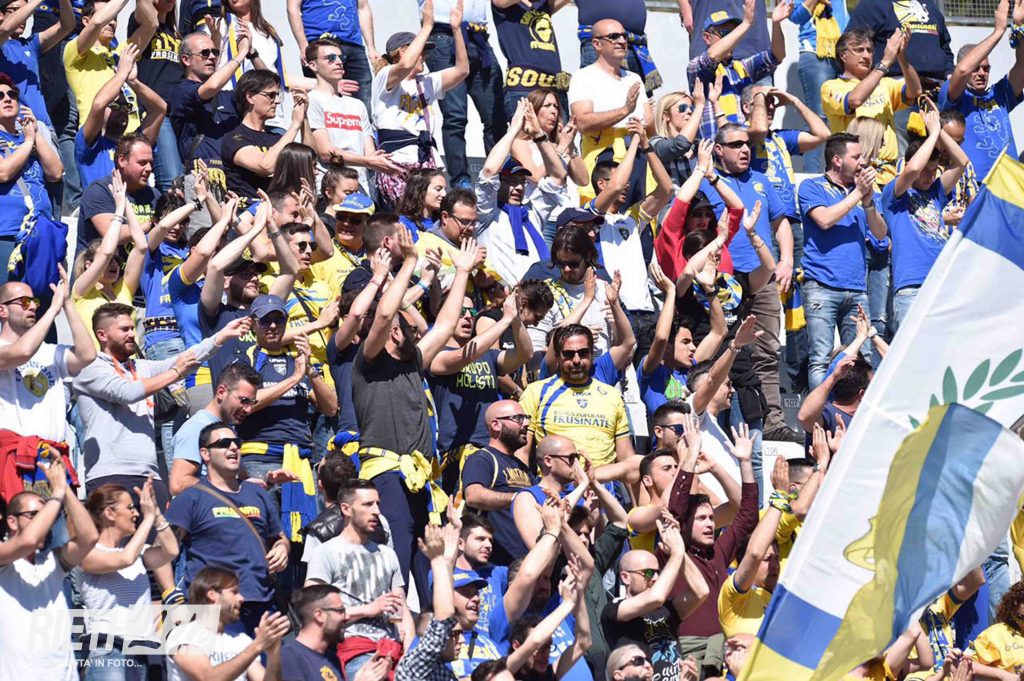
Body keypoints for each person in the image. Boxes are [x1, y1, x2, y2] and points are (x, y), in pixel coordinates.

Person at [352, 228, 480, 598]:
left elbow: (445, 325)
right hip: (388, 475)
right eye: (409, 329)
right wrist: (408, 262)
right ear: (394, 334)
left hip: (421, 481)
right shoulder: (369, 362)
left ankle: (428, 626)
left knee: (430, 575)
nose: (417, 333)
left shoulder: (415, 362)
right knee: (394, 573)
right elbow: (384, 313)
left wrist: (462, 272)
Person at [72, 302, 248, 501]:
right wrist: (176, 372)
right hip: (110, 475)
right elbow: (127, 392)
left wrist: (221, 336)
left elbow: (186, 360)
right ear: (102, 335)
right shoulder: (89, 368)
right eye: (124, 329)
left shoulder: (140, 367)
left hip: (150, 475)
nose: (132, 334)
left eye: (132, 328)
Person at [700, 123, 795, 443]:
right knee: (724, 352)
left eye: (747, 144)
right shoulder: (706, 183)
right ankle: (720, 421)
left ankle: (772, 422)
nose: (745, 149)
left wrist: (786, 259)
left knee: (767, 351)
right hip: (723, 281)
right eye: (736, 144)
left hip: (762, 277)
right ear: (718, 150)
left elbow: (781, 222)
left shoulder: (761, 180)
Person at [165, 422, 291, 636]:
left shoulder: (257, 492)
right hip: (211, 610)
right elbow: (163, 553)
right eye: (224, 443)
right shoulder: (190, 498)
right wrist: (171, 597)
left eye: (236, 443)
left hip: (261, 604)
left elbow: (278, 537)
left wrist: (282, 548)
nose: (233, 448)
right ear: (205, 453)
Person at [668, 415, 759, 677]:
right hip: (687, 652)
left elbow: (748, 515)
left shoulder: (717, 551)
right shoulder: (673, 550)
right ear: (685, 525)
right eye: (701, 519)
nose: (710, 524)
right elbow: (675, 508)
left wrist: (742, 463)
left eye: (711, 518)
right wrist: (691, 454)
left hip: (721, 652)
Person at [798, 133, 887, 388]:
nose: (862, 162)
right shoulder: (812, 187)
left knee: (862, 358)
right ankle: (820, 412)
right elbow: (824, 220)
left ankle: (857, 409)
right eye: (856, 157)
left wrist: (868, 203)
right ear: (837, 160)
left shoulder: (864, 193)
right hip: (821, 286)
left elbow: (880, 233)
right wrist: (858, 193)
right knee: (821, 358)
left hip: (857, 288)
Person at [0, 458, 98, 681]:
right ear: (12, 522)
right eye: (34, 515)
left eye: (47, 516)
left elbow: (89, 537)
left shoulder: (52, 561)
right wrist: (56, 495)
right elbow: (29, 540)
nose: (44, 522)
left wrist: (65, 490)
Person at [305, 479, 413, 676]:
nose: (377, 511)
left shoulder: (387, 554)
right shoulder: (326, 552)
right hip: (353, 650)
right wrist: (368, 610)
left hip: (393, 650)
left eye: (377, 504)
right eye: (368, 504)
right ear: (346, 509)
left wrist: (409, 654)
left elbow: (402, 610)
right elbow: (312, 610)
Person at [587, 117, 673, 360]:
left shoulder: (632, 217)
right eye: (621, 179)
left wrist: (646, 145)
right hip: (615, 312)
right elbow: (615, 187)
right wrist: (634, 141)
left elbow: (666, 190)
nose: (626, 185)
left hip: (646, 311)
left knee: (648, 376)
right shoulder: (589, 216)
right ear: (601, 183)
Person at [430, 293, 532, 494]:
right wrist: (504, 320)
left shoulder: (488, 356)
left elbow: (525, 354)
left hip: (492, 451)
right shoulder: (434, 354)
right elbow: (463, 356)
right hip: (455, 454)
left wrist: (515, 319)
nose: (468, 317)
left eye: (472, 311)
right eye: (461, 311)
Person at [79, 478, 180, 679]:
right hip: (108, 648)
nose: (136, 514)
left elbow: (171, 551)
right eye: (130, 508)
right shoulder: (87, 553)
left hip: (143, 649)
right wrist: (148, 519)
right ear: (109, 513)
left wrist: (156, 514)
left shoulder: (138, 553)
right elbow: (125, 559)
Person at [0, 272, 93, 483]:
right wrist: (53, 309)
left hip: (53, 456)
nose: (33, 306)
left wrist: (67, 303)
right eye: (24, 302)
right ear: (2, 310)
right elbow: (23, 351)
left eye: (35, 301)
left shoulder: (50, 351)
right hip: (16, 457)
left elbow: (87, 355)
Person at [373, 4, 468, 208]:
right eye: (422, 50)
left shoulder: (427, 82)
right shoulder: (385, 77)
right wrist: (427, 26)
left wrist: (456, 30)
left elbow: (462, 70)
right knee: (403, 215)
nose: (425, 56)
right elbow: (406, 65)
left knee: (426, 217)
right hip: (397, 163)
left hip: (425, 162)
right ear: (402, 51)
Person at [881, 104, 968, 329]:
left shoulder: (936, 192)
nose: (929, 176)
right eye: (925, 170)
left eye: (933, 170)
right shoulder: (895, 193)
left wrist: (939, 130)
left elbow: (961, 161)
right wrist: (932, 135)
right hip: (911, 287)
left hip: (941, 284)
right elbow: (911, 170)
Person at [476, 101, 570, 286]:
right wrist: (514, 129)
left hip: (542, 296)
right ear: (499, 184)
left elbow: (559, 176)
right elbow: (489, 171)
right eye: (511, 182)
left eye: (521, 182)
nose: (518, 188)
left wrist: (539, 134)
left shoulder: (533, 214)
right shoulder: (486, 214)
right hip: (506, 295)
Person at [601, 518, 706, 681]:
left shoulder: (667, 609)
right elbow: (656, 597)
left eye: (658, 572)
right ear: (625, 577)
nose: (656, 578)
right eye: (649, 573)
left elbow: (701, 592)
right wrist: (676, 554)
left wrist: (680, 549)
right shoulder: (614, 608)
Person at [519, 325, 634, 472]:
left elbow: (626, 458)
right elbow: (521, 452)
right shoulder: (536, 392)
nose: (576, 360)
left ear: (591, 354)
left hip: (604, 483)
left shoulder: (612, 395)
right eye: (568, 354)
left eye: (583, 353)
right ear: (557, 356)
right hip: (557, 484)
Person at [421, 0, 507, 191]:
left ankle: (498, 175)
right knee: (455, 117)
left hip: (479, 37)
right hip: (444, 36)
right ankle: (460, 181)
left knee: (496, 118)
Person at [821, 28, 922, 186]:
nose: (866, 56)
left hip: (888, 175)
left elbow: (915, 91)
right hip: (855, 176)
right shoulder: (831, 87)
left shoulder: (885, 84)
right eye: (859, 50)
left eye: (869, 50)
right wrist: (885, 63)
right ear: (843, 55)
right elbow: (855, 100)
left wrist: (901, 56)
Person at [567, 17, 650, 203]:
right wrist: (624, 111)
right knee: (602, 216)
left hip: (637, 155)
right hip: (604, 161)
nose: (622, 41)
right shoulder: (583, 77)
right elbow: (582, 122)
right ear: (597, 44)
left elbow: (649, 122)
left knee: (638, 216)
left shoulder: (634, 78)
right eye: (614, 36)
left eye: (624, 36)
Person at [939, 0, 1024, 181]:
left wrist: (1019, 26)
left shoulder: (999, 93)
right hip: (974, 184)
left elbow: (1022, 65)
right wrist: (998, 32)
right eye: (976, 68)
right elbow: (962, 70)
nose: (981, 73)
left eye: (986, 69)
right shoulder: (955, 97)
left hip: (1010, 183)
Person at [305, 37, 399, 194]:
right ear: (313, 65)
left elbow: (369, 151)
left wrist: (380, 161)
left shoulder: (357, 105)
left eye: (340, 57)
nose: (338, 62)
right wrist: (368, 161)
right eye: (330, 58)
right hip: (331, 190)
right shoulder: (312, 99)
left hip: (361, 189)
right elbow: (325, 152)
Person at [165, 566, 291, 681]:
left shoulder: (241, 640)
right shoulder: (182, 636)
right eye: (234, 592)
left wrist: (273, 655)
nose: (241, 598)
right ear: (212, 595)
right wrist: (257, 645)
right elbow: (207, 678)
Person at [687, 0, 789, 141]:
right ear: (707, 37)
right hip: (713, 149)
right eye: (724, 33)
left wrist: (776, 24)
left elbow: (777, 55)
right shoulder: (695, 67)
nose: (732, 38)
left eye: (733, 32)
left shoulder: (741, 67)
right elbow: (712, 56)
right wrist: (746, 24)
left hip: (741, 148)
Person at [74, 42, 166, 190]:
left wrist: (133, 81)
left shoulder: (136, 145)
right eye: (116, 106)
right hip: (106, 203)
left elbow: (159, 109)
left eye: (126, 107)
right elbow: (99, 104)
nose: (123, 110)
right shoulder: (91, 145)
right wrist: (121, 74)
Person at [170, 29, 246, 199]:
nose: (212, 57)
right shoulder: (181, 92)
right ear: (186, 59)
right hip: (201, 180)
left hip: (234, 182)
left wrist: (253, 54)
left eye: (215, 52)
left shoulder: (227, 97)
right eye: (205, 53)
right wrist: (240, 54)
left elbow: (263, 88)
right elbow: (211, 87)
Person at [0, 76, 62, 280]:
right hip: (7, 233)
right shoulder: (26, 142)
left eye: (12, 95)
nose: (7, 99)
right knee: (9, 295)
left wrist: (35, 134)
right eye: (0, 96)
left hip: (40, 233)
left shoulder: (29, 138)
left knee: (39, 297)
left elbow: (55, 173)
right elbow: (3, 172)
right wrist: (28, 142)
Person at [460, 400, 536, 565]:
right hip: (494, 566)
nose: (526, 424)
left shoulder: (523, 467)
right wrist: (518, 498)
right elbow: (473, 496)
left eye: (526, 418)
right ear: (496, 425)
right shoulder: (483, 459)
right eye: (518, 418)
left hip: (526, 562)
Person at [170, 362, 263, 495]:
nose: (248, 409)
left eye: (252, 403)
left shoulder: (229, 430)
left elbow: (239, 482)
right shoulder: (196, 428)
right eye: (244, 401)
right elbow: (178, 484)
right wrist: (226, 485)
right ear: (221, 392)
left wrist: (267, 481)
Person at [62, 0, 148, 137]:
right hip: (100, 134)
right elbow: (97, 22)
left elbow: (151, 25)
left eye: (115, 18)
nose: (112, 22)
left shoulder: (120, 52)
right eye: (107, 16)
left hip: (133, 138)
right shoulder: (74, 50)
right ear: (86, 21)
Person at [221, 69, 309, 201]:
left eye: (278, 95)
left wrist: (303, 117)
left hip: (277, 209)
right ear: (250, 97)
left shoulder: (277, 138)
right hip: (249, 209)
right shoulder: (234, 138)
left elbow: (307, 158)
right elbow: (265, 166)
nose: (277, 101)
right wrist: (295, 124)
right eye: (271, 95)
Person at [125, 0, 181, 193]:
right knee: (171, 180)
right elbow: (149, 17)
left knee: (181, 178)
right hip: (154, 112)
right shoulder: (143, 23)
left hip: (178, 113)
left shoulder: (176, 33)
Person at [286, 0, 379, 111]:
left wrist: (371, 48)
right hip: (319, 43)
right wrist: (303, 45)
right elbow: (293, 8)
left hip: (353, 45)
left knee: (361, 103)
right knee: (323, 102)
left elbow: (363, 8)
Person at [788, 0, 848, 173]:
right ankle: (811, 176)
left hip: (842, 54)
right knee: (817, 118)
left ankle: (841, 173)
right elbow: (795, 16)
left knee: (842, 116)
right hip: (816, 55)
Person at [281, 583, 382, 681]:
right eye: (340, 611)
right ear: (319, 615)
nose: (347, 617)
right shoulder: (289, 657)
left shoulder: (332, 659)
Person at [78, 135, 160, 254]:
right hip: (100, 264)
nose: (149, 168)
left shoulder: (153, 195)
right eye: (142, 163)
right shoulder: (99, 191)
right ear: (122, 161)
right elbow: (112, 234)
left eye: (151, 163)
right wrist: (152, 225)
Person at [491, 0, 569, 119]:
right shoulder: (505, 5)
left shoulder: (542, 5)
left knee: (563, 132)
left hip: (555, 90)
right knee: (527, 132)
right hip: (525, 89)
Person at [846, 0, 952, 86]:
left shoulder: (930, 5)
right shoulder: (871, 4)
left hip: (936, 89)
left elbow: (945, 48)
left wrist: (949, 73)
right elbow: (851, 45)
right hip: (893, 90)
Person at [510, 87, 587, 191]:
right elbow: (534, 177)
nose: (553, 111)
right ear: (532, 110)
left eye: (556, 106)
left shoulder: (560, 144)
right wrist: (561, 148)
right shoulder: (520, 143)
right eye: (547, 106)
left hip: (564, 200)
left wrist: (571, 144)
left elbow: (583, 181)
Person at [966, 582, 1024, 675]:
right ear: (1012, 612)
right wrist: (1001, 675)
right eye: (1021, 617)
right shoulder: (995, 634)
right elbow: (965, 663)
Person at [650, 87, 703, 187]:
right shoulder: (655, 143)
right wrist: (699, 106)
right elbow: (680, 145)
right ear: (666, 116)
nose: (689, 111)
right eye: (682, 107)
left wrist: (715, 104)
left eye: (692, 108)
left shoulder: (698, 146)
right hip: (673, 197)